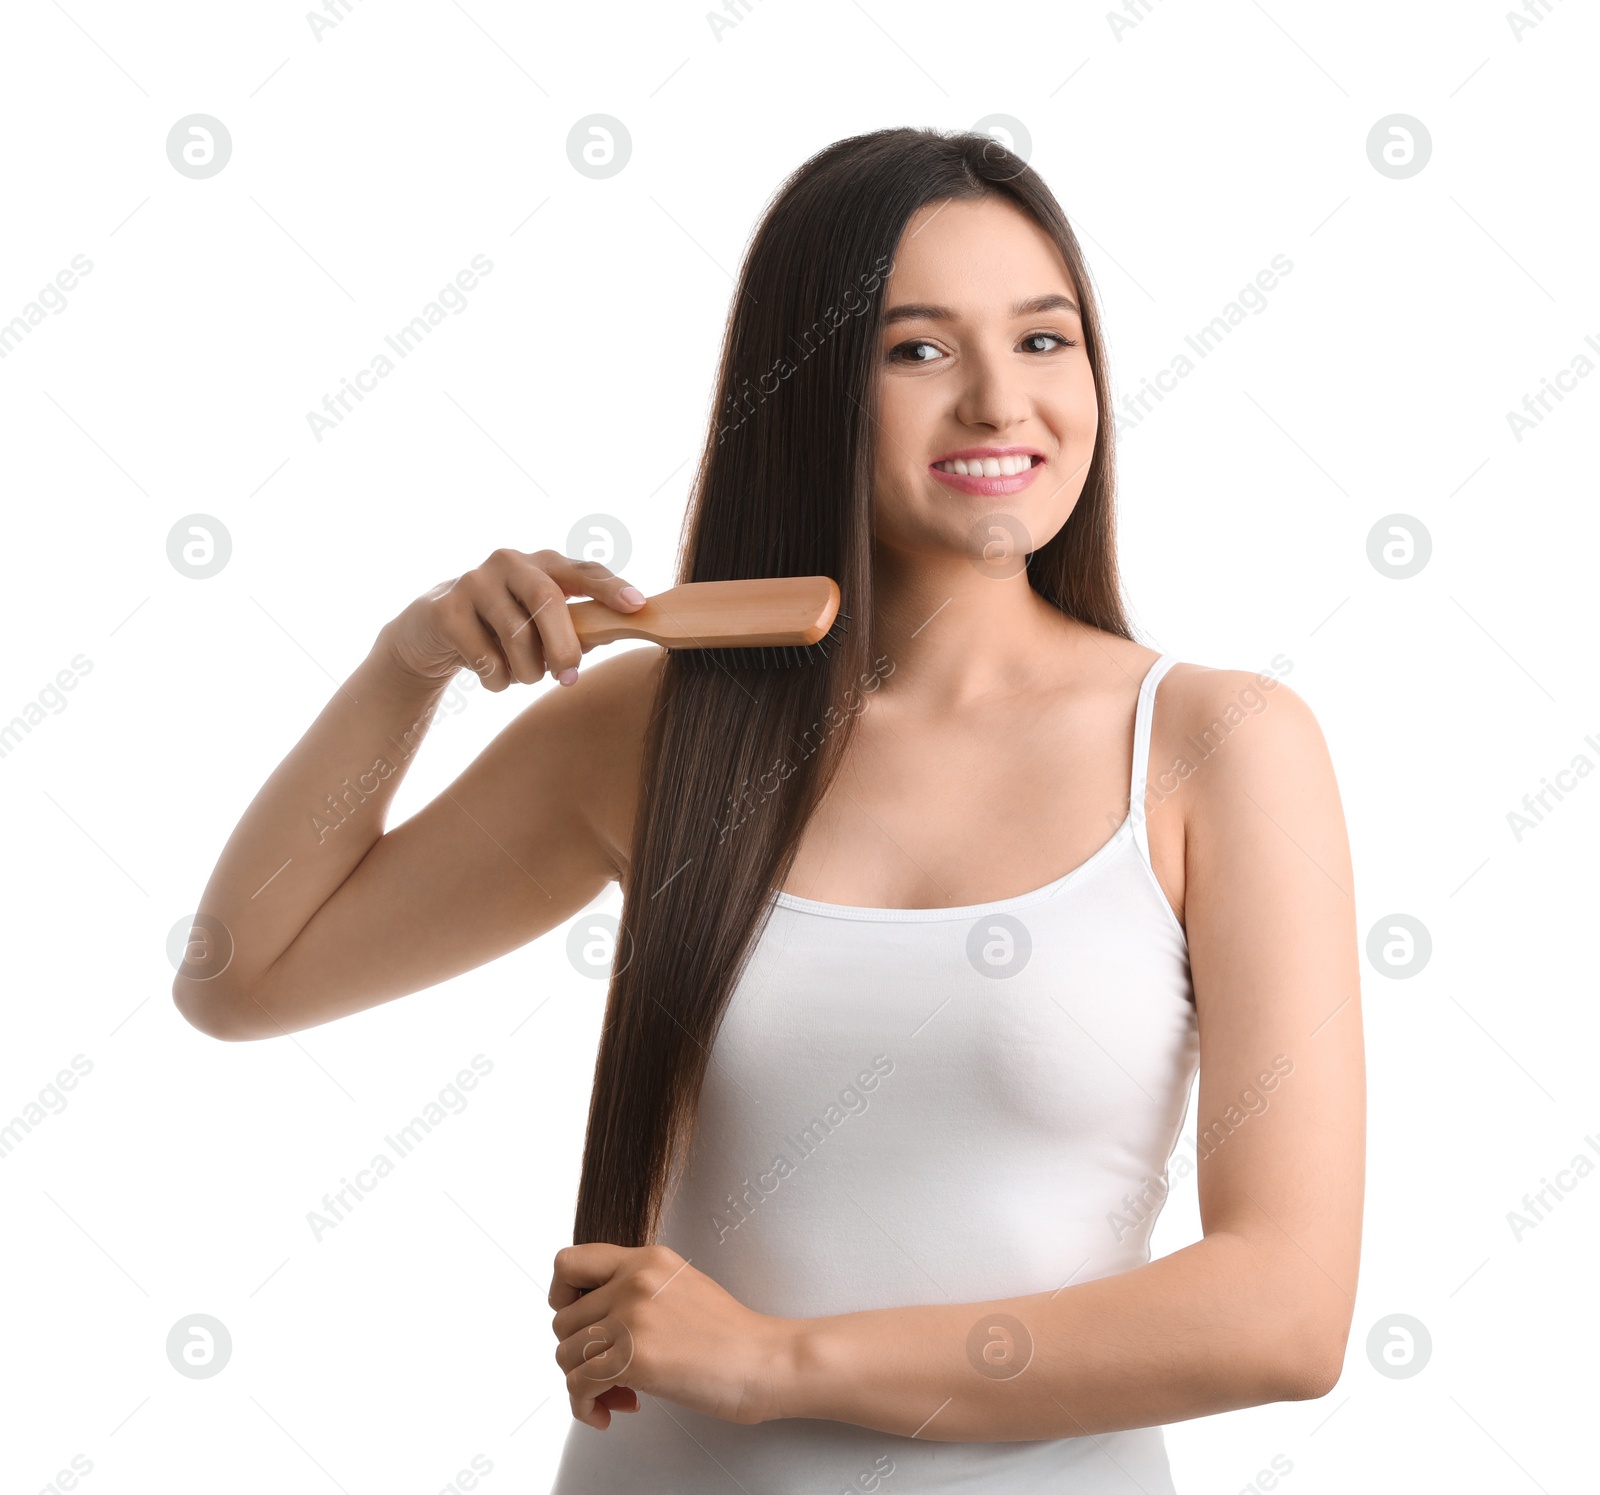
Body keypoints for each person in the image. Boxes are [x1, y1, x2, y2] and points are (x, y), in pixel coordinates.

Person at [175, 127, 1364, 1494]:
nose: (998, 403)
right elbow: (240, 979)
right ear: (804, 390)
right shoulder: (663, 731)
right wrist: (409, 667)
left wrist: (773, 1362)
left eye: (1045, 341)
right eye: (917, 350)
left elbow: (1284, 1311)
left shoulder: (1220, 748)